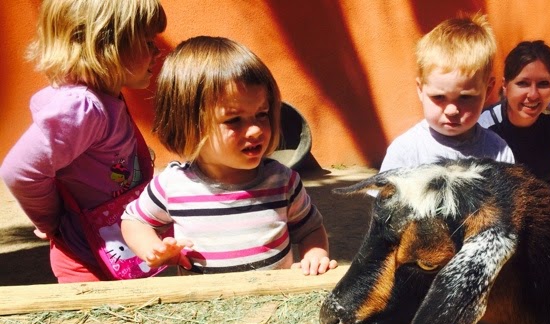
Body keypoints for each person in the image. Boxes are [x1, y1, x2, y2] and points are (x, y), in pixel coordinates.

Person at [121, 36, 338, 276]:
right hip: (205, 299)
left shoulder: (282, 181)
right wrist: (153, 249)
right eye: (234, 120)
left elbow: (310, 229)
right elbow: (134, 221)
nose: (255, 130)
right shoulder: (173, 185)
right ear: (188, 125)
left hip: (274, 297)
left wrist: (315, 256)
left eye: (262, 114)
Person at [0, 0, 167, 283]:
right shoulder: (81, 107)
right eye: (147, 41)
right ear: (105, 46)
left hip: (113, 242)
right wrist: (51, 221)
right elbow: (20, 171)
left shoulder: (106, 96)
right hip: (84, 257)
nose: (157, 51)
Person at [379, 12, 514, 173]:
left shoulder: (498, 152)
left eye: (465, 97)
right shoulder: (405, 153)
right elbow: (385, 190)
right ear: (420, 89)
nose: (451, 110)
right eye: (438, 97)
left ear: (488, 89)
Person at [479, 40, 550, 203]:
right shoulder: (485, 125)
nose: (533, 95)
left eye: (544, 84)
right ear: (505, 86)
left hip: (548, 207)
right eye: (523, 83)